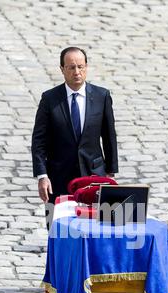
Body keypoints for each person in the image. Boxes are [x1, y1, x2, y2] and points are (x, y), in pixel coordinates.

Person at [31, 46, 118, 229]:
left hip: (94, 175)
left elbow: (109, 136)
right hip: (59, 177)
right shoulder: (50, 99)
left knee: (96, 229)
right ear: (62, 69)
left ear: (86, 67)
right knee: (58, 232)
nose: (77, 72)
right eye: (71, 67)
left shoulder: (102, 96)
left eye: (80, 66)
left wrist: (111, 172)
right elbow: (39, 141)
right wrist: (42, 176)